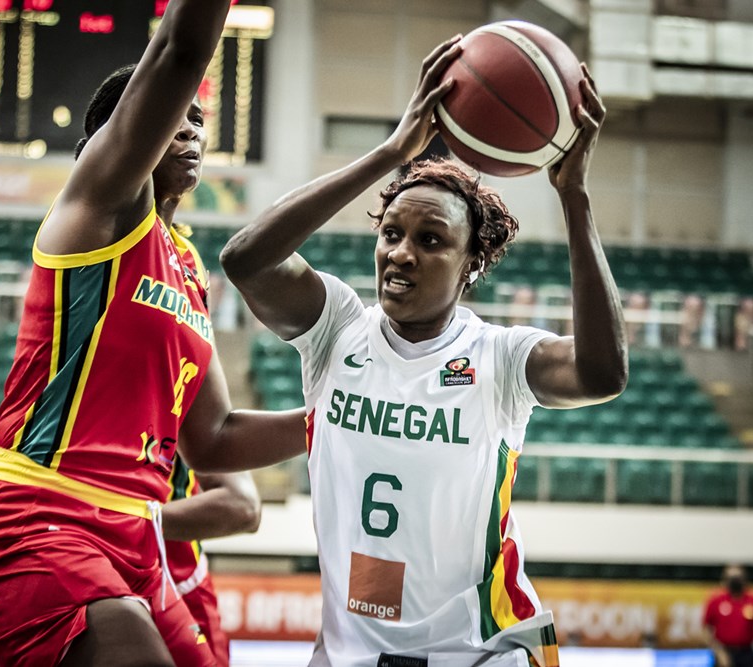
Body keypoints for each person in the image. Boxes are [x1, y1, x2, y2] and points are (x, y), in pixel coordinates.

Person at [220, 36, 627, 666]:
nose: (401, 252)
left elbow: (602, 373)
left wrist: (574, 197)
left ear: (470, 268)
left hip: (486, 650)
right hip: (353, 652)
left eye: (431, 240)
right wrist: (390, 154)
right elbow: (246, 259)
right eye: (391, 233)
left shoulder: (501, 358)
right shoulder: (337, 331)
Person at [0, 2, 307, 665]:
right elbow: (178, 56)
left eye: (200, 121)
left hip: (131, 534)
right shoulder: (98, 215)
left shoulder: (188, 269)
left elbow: (215, 438)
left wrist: (334, 419)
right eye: (177, 118)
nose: (191, 128)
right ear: (122, 137)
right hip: (34, 515)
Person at [0, 460, 261, 667]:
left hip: (171, 583)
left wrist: (116, 520)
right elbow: (11, 445)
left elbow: (244, 506)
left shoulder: (177, 380)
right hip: (70, 557)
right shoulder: (77, 368)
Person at [703, 565, 753, 667]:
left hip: (747, 652)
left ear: (744, 579)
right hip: (723, 652)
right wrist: (718, 651)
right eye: (731, 578)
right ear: (725, 580)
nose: (735, 582)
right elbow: (705, 629)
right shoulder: (716, 601)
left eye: (737, 578)